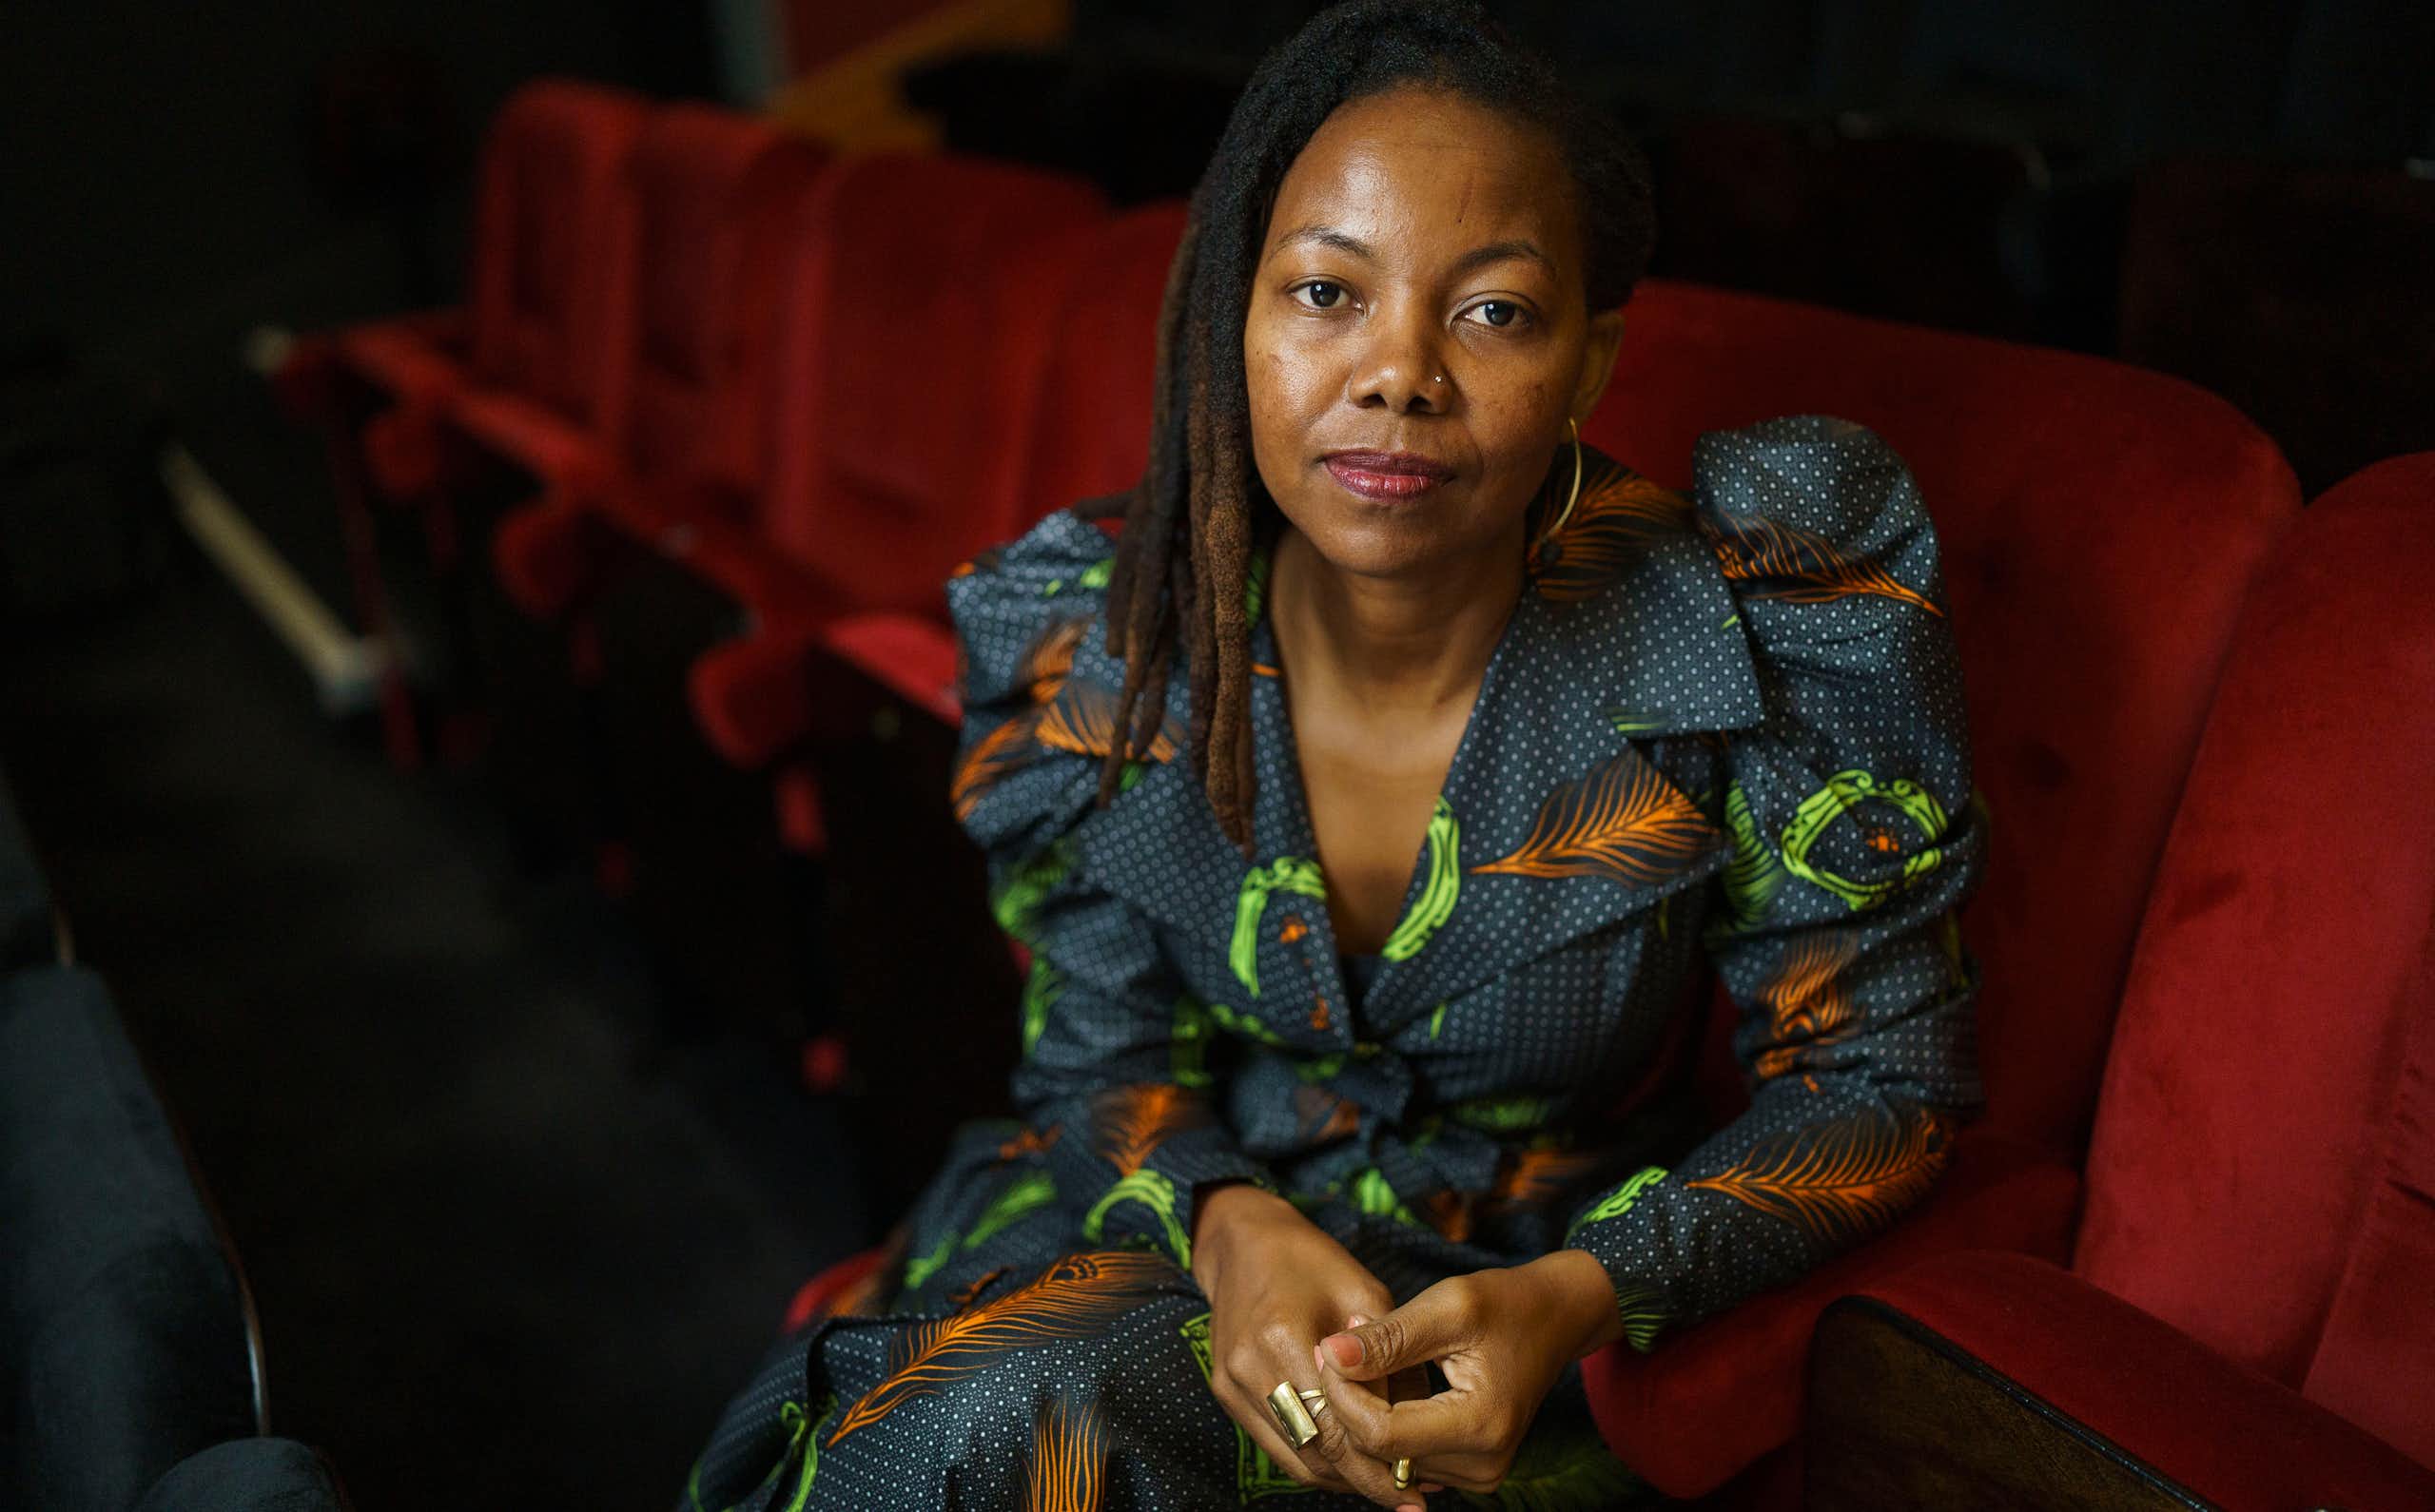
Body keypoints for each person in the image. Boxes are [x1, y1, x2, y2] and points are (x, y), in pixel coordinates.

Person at [682, 2, 1983, 1507]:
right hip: (1165, 1214)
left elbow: (1879, 1075)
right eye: (1324, 292)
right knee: (955, 1417)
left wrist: (1585, 1292)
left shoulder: (1753, 627)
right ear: (1235, 320)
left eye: (1493, 312)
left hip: (1504, 1300)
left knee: (999, 1422)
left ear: (1589, 360)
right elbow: (1100, 1054)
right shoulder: (1104, 631)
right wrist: (1222, 1219)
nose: (1398, 372)